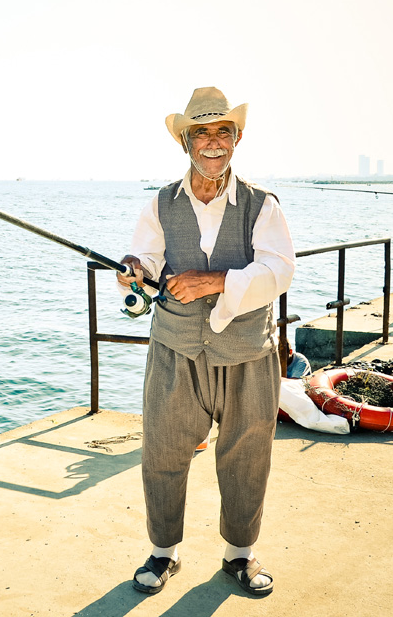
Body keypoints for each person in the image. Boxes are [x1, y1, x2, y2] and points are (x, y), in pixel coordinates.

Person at [117, 87, 295, 597]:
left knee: (247, 455)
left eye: (223, 132)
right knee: (163, 452)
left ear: (237, 140)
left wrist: (215, 280)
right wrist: (133, 273)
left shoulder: (264, 204)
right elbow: (145, 259)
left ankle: (239, 555)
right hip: (175, 349)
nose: (213, 143)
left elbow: (279, 269)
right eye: (202, 133)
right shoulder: (159, 203)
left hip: (247, 354)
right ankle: (163, 552)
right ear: (186, 143)